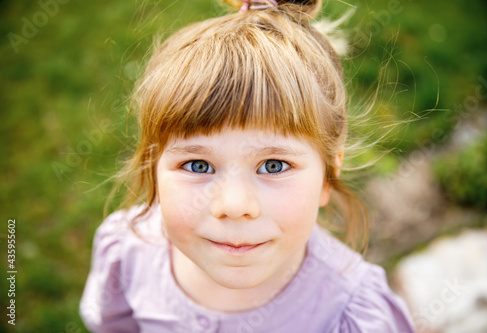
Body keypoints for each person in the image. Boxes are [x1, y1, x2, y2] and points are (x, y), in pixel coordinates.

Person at [80, 0, 416, 331]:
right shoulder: (128, 253)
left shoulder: (350, 314)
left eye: (273, 165)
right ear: (154, 164)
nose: (234, 205)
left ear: (328, 175)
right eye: (198, 165)